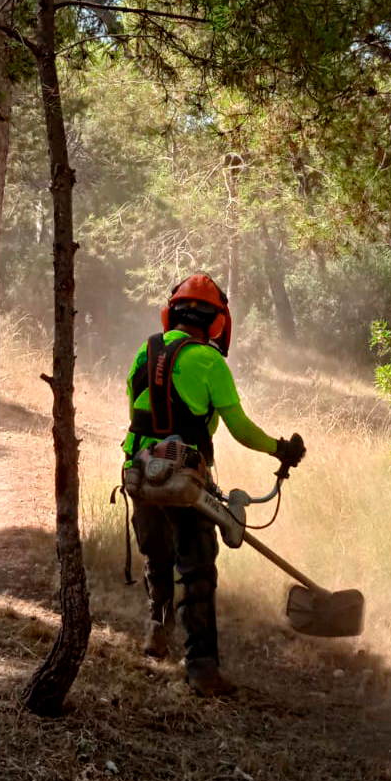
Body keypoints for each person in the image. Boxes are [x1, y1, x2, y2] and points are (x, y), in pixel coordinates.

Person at [122, 273, 306, 697]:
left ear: (174, 313)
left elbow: (137, 413)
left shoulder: (143, 352)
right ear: (216, 322)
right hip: (183, 479)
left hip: (138, 471)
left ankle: (156, 632)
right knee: (197, 569)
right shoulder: (210, 362)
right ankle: (202, 669)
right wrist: (280, 450)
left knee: (157, 555)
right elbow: (239, 429)